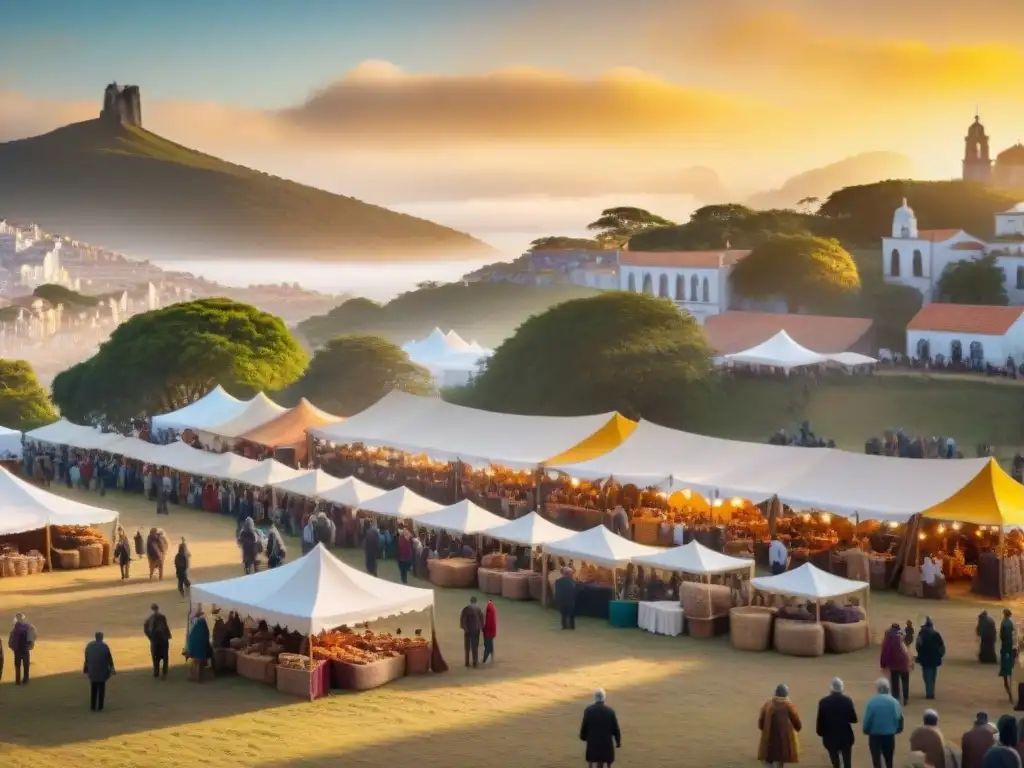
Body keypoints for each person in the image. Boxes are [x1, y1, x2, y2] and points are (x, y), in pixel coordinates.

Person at [816, 677, 857, 768]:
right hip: (845, 735)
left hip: (830, 735)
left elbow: (820, 720)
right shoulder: (847, 700)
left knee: (835, 760)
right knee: (847, 761)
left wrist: (820, 732)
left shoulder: (823, 702)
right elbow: (854, 719)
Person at [758, 683, 802, 767]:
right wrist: (797, 728)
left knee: (768, 759)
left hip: (769, 738)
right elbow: (797, 722)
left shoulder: (768, 703)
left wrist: (764, 729)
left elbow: (761, 720)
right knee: (779, 760)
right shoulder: (788, 705)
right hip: (782, 740)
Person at [863, 678, 903, 768]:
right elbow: (898, 717)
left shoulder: (871, 702)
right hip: (889, 734)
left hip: (875, 734)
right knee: (889, 759)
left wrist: (866, 729)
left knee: (876, 760)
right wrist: (897, 729)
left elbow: (868, 719)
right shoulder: (894, 702)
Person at [579, 688, 621, 768]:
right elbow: (616, 729)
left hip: (593, 745)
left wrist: (583, 737)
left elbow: (584, 726)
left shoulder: (588, 711)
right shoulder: (610, 711)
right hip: (606, 746)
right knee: (608, 761)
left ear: (595, 698)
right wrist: (618, 742)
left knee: (591, 760)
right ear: (604, 698)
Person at [881, 623, 912, 705]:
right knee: (905, 680)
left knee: (895, 682)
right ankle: (905, 698)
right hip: (904, 661)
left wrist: (883, 663)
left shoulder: (888, 637)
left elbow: (885, 651)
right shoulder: (902, 635)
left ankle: (896, 698)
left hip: (894, 663)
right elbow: (907, 649)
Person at [83, 631, 115, 711]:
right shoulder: (105, 646)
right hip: (102, 670)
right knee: (101, 688)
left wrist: (86, 668)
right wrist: (112, 668)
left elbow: (86, 658)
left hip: (92, 670)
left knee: (93, 688)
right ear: (101, 637)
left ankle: (93, 706)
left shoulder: (89, 646)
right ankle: (100, 706)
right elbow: (109, 658)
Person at [916, 617, 946, 700]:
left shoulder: (922, 634)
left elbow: (918, 646)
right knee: (933, 677)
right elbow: (942, 647)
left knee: (927, 677)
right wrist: (940, 655)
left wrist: (920, 655)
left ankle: (930, 694)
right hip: (935, 659)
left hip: (925, 659)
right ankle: (931, 691)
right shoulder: (936, 634)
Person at [143, 603, 172, 679]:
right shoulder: (162, 617)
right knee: (164, 657)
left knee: (155, 657)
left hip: (156, 640)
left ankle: (157, 672)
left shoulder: (149, 619)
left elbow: (146, 630)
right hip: (162, 640)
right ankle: (163, 672)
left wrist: (150, 638)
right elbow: (165, 628)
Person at [186, 607, 213, 681]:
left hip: (194, 649)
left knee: (196, 661)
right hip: (201, 650)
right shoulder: (203, 625)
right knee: (205, 657)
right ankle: (201, 675)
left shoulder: (195, 625)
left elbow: (190, 624)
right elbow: (207, 636)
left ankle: (195, 675)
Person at [8, 613, 34, 685]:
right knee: (24, 666)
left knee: (18, 666)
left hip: (19, 650)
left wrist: (12, 646)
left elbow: (11, 639)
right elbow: (31, 638)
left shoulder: (15, 629)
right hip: (23, 649)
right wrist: (30, 646)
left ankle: (18, 681)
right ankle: (24, 680)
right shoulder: (27, 627)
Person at [459, 595, 484, 668]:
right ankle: (475, 663)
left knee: (467, 647)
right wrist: (481, 628)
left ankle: (466, 662)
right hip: (476, 630)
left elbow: (462, 620)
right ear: (476, 602)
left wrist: (465, 628)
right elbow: (482, 620)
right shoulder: (478, 609)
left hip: (467, 631)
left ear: (470, 602)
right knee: (474, 647)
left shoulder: (465, 609)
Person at [1001, 609, 1018, 703]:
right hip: (1013, 649)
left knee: (1007, 674)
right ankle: (1010, 694)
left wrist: (1007, 651)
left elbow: (1007, 639)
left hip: (1008, 650)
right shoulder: (1012, 622)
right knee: (1010, 673)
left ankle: (1010, 695)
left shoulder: (1006, 623)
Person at [482, 598, 497, 664]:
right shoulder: (492, 610)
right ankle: (492, 659)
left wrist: (483, 629)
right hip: (491, 632)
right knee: (490, 645)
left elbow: (486, 623)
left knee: (487, 646)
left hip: (488, 633)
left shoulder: (489, 610)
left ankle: (484, 660)